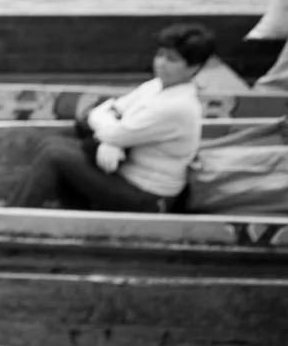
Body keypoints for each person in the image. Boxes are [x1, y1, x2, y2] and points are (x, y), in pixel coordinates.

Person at [11, 24, 215, 212]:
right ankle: (77, 213)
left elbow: (112, 128)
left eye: (172, 59)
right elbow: (107, 110)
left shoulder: (178, 106)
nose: (161, 63)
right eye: (160, 55)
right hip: (125, 174)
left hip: (148, 195)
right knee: (55, 141)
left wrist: (112, 137)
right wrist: (111, 141)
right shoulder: (155, 86)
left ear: (194, 67)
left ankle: (14, 215)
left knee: (55, 154)